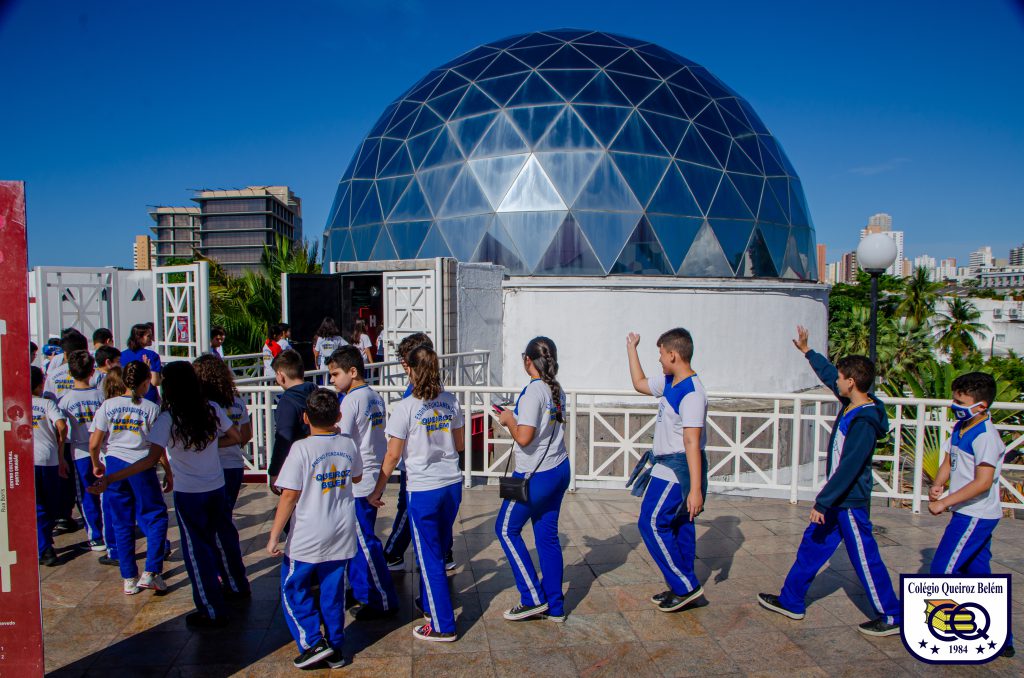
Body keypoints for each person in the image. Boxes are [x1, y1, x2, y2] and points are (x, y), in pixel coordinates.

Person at [758, 325, 901, 637]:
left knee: (864, 557)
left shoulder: (863, 420)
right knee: (812, 547)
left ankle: (892, 615)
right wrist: (808, 351)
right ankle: (791, 600)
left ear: (851, 383)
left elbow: (850, 467)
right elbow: (826, 373)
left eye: (840, 378)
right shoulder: (851, 401)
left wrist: (824, 500)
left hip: (847, 501)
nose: (835, 382)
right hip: (836, 499)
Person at [91, 361, 249, 628]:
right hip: (216, 487)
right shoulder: (211, 409)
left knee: (196, 552)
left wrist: (111, 477)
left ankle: (211, 610)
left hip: (189, 494)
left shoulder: (169, 417)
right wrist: (207, 444)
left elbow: (149, 460)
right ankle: (235, 585)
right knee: (216, 540)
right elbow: (236, 436)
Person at [369, 345, 465, 642]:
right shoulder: (451, 401)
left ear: (410, 369)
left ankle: (442, 624)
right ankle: (429, 604)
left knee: (429, 556)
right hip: (451, 484)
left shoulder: (406, 408)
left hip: (424, 488)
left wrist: (377, 490)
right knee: (435, 548)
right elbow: (459, 445)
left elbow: (392, 456)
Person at [267, 389, 362, 668]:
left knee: (293, 587)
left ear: (305, 417)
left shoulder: (301, 449)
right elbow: (356, 476)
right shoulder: (347, 444)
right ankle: (335, 646)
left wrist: (274, 536)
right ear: (339, 417)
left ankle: (312, 641)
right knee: (333, 593)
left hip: (307, 536)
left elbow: (288, 495)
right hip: (341, 531)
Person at [927, 371, 1014, 658]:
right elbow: (950, 460)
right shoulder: (960, 427)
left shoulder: (986, 437)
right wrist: (939, 483)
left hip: (974, 514)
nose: (954, 405)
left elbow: (983, 482)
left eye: (959, 401)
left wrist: (946, 502)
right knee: (978, 574)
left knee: (942, 571)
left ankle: (934, 630)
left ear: (981, 407)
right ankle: (1003, 639)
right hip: (969, 512)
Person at [625, 328, 708, 613]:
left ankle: (685, 586)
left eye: (660, 354)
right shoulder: (671, 381)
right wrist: (631, 347)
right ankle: (683, 586)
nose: (659, 360)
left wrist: (695, 490)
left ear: (673, 355)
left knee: (650, 522)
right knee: (679, 525)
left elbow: (691, 441)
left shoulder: (692, 393)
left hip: (678, 469)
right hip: (666, 464)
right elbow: (639, 383)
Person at [494, 337, 571, 622]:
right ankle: (555, 606)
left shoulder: (532, 393)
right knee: (547, 537)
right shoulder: (556, 389)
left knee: (504, 529)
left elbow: (524, 437)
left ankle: (532, 598)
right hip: (558, 469)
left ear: (528, 360)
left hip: (533, 476)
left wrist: (507, 419)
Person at [328, 346, 398, 619]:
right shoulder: (374, 396)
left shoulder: (350, 401)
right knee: (355, 538)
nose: (332, 380)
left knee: (363, 541)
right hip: (370, 474)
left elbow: (340, 440)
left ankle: (381, 598)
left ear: (352, 371)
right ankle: (359, 590)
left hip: (358, 479)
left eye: (335, 374)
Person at [89, 361, 170, 595]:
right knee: (155, 517)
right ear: (146, 383)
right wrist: (168, 471)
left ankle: (128, 578)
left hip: (113, 465)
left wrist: (97, 465)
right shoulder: (151, 408)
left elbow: (95, 443)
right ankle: (151, 571)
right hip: (141, 466)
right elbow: (158, 447)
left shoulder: (108, 405)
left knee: (121, 522)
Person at [383, 332, 455, 572]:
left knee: (407, 509)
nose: (404, 367)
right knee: (439, 519)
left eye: (407, 361)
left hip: (420, 472)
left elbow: (394, 452)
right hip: (443, 474)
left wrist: (378, 486)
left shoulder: (414, 396)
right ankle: (444, 553)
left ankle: (394, 552)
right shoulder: (445, 396)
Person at [57, 350, 106, 551]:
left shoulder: (65, 400)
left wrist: (61, 456)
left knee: (86, 495)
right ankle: (107, 531)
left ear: (70, 373)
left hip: (80, 453)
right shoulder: (101, 396)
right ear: (92, 371)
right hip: (102, 450)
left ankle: (95, 535)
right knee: (104, 492)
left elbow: (61, 430)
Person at [194, 355, 253, 511]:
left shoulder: (203, 405)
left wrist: (213, 444)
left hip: (208, 467)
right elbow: (247, 435)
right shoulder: (237, 402)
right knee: (225, 514)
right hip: (233, 463)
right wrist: (233, 443)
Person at [32, 366, 68, 567]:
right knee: (48, 504)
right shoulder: (46, 404)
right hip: (48, 458)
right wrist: (59, 445)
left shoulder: (16, 404)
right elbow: (62, 425)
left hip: (27, 460)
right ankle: (45, 547)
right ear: (40, 385)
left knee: (39, 505)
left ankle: (44, 542)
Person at [267, 350, 317, 492]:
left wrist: (274, 472)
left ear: (281, 375)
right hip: (320, 461)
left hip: (297, 465)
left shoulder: (287, 401)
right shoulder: (316, 392)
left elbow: (283, 438)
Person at [120, 323, 162, 404]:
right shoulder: (151, 355)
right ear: (139, 337)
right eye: (148, 336)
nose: (151, 338)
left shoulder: (122, 355)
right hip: (148, 397)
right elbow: (155, 381)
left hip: (126, 396)